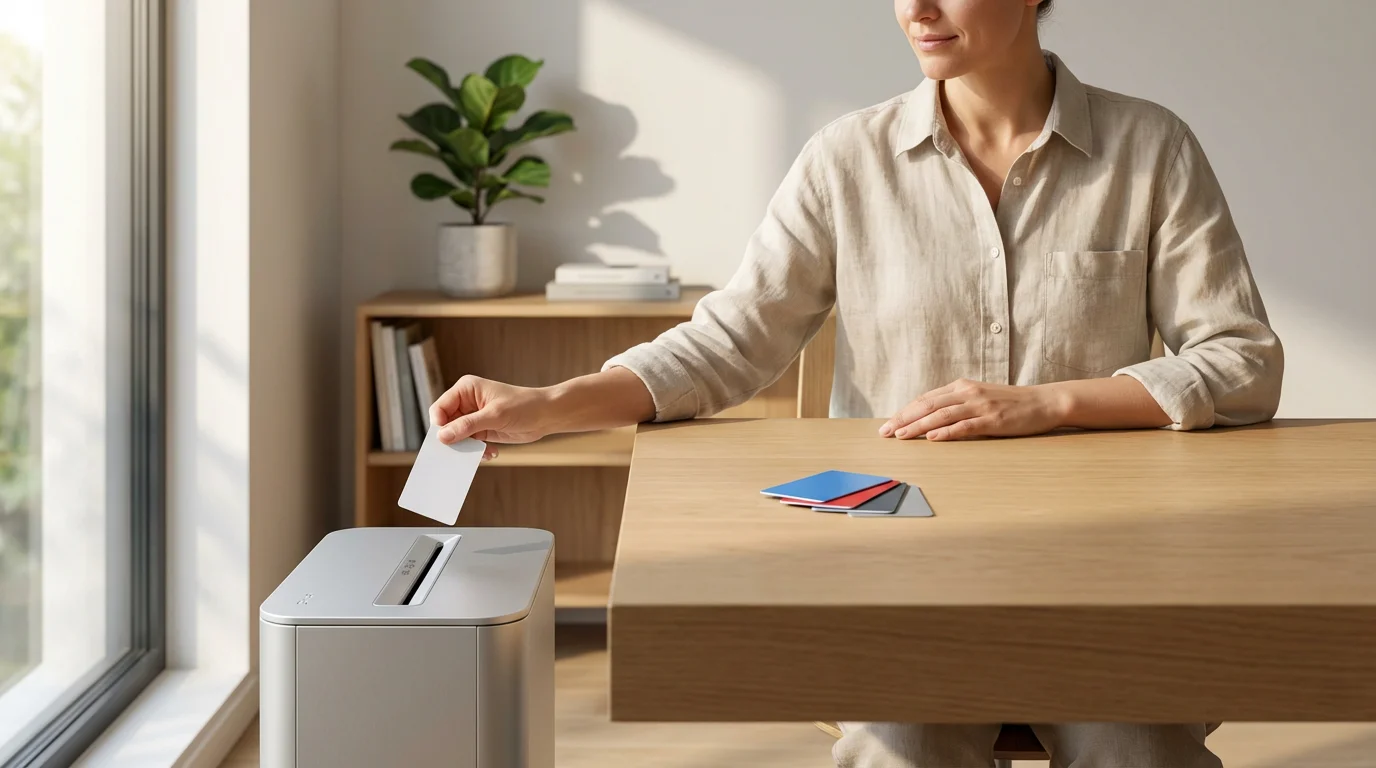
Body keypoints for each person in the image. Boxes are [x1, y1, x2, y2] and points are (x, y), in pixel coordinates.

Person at [430, 0, 1281, 765]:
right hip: (897, 576)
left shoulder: (1150, 148)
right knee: (899, 744)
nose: (916, 8)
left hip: (1104, 569)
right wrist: (546, 406)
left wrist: (1050, 403)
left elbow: (1241, 360)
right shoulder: (845, 160)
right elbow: (728, 342)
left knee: (1136, 745)